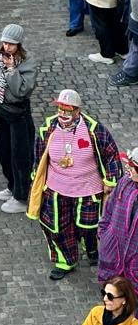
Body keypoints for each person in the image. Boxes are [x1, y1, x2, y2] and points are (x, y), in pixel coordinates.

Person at [29, 88, 121, 280]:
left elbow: (111, 155)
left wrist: (110, 180)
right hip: (56, 190)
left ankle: (92, 249)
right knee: (57, 227)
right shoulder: (48, 128)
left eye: (68, 110)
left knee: (89, 226)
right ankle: (65, 261)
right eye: (60, 109)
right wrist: (36, 177)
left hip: (88, 190)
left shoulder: (94, 130)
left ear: (77, 111)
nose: (63, 114)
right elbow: (39, 154)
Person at [0, 22, 37, 213]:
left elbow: (21, 90)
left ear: (19, 44)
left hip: (18, 114)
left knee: (20, 155)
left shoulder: (27, 62)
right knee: (4, 152)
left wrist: (11, 71)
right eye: (5, 43)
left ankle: (21, 195)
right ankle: (12, 185)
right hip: (0, 110)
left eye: (11, 44)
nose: (7, 47)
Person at [100, 150, 138, 292]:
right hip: (114, 249)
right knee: (113, 291)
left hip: (135, 257)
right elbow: (109, 209)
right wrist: (104, 233)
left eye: (132, 167)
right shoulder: (124, 182)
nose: (127, 168)